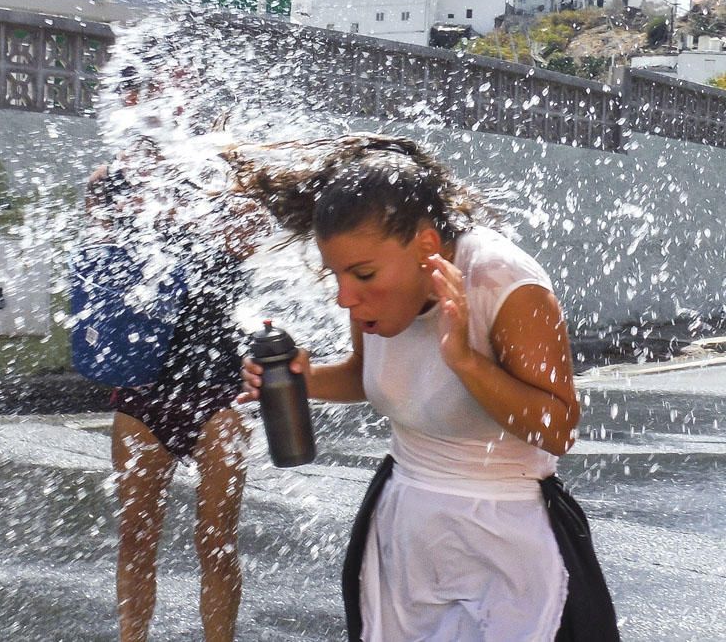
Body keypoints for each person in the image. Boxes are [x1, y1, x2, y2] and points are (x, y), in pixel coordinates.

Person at [227, 134, 619, 641]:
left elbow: (558, 429)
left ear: (427, 248)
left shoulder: (506, 285)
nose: (347, 296)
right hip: (403, 526)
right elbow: (372, 378)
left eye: (363, 274)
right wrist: (305, 379)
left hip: (509, 538)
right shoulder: (376, 293)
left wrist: (463, 359)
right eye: (337, 275)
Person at [85, 56, 268, 642]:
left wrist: (223, 204)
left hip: (218, 393)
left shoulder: (222, 177)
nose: (159, 110)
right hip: (141, 395)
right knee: (136, 540)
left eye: (169, 98)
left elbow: (255, 235)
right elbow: (101, 260)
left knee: (217, 540)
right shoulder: (110, 182)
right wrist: (144, 210)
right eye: (143, 99)